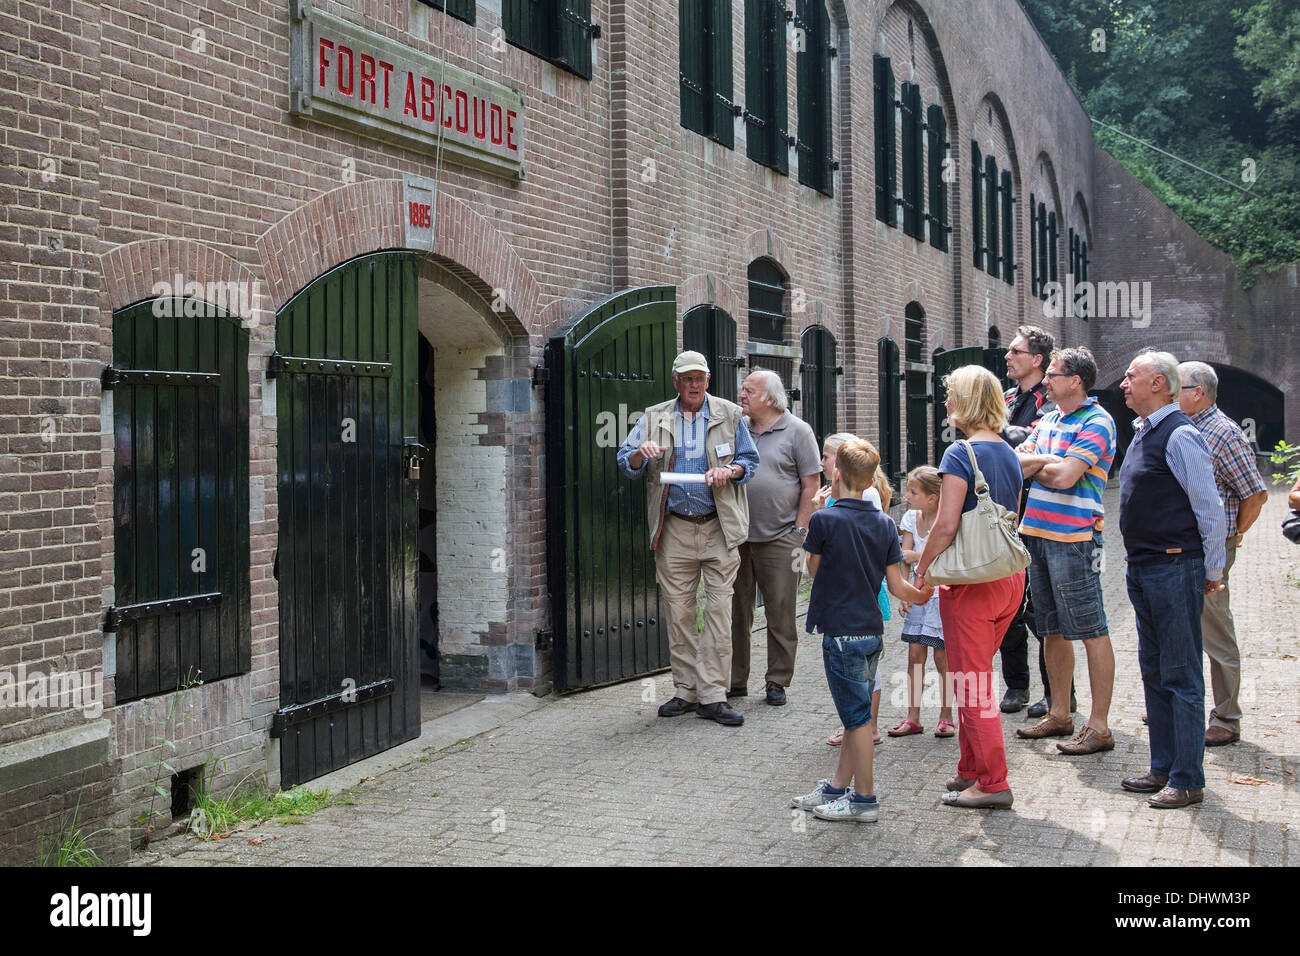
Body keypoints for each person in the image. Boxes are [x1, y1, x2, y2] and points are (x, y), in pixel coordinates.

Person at [790, 438, 934, 822]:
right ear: (871, 481)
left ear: (836, 474)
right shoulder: (885, 524)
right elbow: (897, 586)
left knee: (856, 722)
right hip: (871, 631)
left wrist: (816, 520)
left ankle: (864, 800)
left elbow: (813, 571)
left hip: (840, 634)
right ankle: (838, 787)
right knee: (856, 715)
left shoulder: (824, 520)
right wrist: (922, 595)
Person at [617, 350, 760, 727]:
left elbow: (750, 461)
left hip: (719, 526)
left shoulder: (730, 414)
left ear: (708, 380)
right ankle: (686, 690)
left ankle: (713, 695)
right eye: (686, 378)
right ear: (675, 381)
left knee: (717, 611)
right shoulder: (654, 416)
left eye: (699, 378)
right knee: (678, 613)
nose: (693, 384)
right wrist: (640, 455)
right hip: (675, 528)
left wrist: (730, 471)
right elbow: (625, 461)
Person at [913, 366, 1026, 809]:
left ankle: (994, 783)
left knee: (973, 684)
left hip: (971, 585)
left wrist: (922, 571)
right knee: (968, 678)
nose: (945, 404)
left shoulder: (959, 453)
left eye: (950, 396)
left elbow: (944, 525)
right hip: (1008, 578)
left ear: (967, 401)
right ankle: (971, 769)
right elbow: (1010, 516)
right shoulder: (1010, 451)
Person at [1117, 350, 1226, 809]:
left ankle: (1187, 778)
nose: (1123, 383)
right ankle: (1162, 766)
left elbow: (1210, 508)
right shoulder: (1144, 432)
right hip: (1143, 567)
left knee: (1181, 673)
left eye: (1131, 376)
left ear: (1159, 383)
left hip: (1174, 565)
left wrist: (1212, 569)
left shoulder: (1180, 434)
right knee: (1154, 669)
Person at [1014, 347, 1118, 755]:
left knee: (1092, 629)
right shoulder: (1048, 418)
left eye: (1053, 374)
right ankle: (1060, 713)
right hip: (1035, 534)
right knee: (1050, 629)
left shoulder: (1098, 420)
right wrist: (1046, 462)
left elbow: (1066, 477)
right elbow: (1016, 464)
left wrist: (1039, 461)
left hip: (1075, 539)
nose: (1046, 380)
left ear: (1076, 381)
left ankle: (1100, 726)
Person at [1177, 361, 1268, 747]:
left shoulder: (1224, 432)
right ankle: (1186, 704)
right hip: (1181, 547)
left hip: (1213, 547)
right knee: (1182, 626)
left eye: (1176, 387)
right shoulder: (1185, 428)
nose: (1168, 393)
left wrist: (1237, 533)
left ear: (1198, 393)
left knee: (1215, 630)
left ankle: (1227, 718)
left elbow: (1256, 493)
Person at [730, 369, 823, 706]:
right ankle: (734, 680)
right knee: (734, 611)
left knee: (781, 611)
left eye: (748, 390)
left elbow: (811, 484)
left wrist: (800, 530)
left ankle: (777, 682)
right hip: (737, 537)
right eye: (742, 389)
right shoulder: (737, 428)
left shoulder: (798, 431)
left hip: (783, 537)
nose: (741, 394)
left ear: (769, 397)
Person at [998, 325, 1060, 715]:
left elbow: (1026, 443)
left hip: (1039, 516)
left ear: (1036, 360)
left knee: (1041, 610)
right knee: (1008, 607)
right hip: (1006, 515)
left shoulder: (1049, 402)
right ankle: (1016, 686)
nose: (1008, 357)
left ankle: (1057, 692)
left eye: (1015, 351)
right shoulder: (1006, 398)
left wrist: (993, 428)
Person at [815, 433, 891, 747]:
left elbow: (819, 565)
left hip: (856, 600)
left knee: (860, 671)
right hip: (862, 598)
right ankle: (859, 726)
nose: (821, 463)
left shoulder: (860, 500)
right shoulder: (853, 497)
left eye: (826, 457)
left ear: (839, 468)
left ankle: (862, 727)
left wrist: (817, 514)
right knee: (864, 667)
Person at [888, 466, 955, 738]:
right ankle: (912, 716)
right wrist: (904, 592)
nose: (907, 496)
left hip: (940, 594)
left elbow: (941, 558)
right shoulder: (911, 518)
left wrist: (914, 556)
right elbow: (902, 556)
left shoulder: (947, 522)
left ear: (933, 498)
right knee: (914, 655)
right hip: (916, 593)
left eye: (913, 492)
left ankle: (946, 715)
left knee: (942, 657)